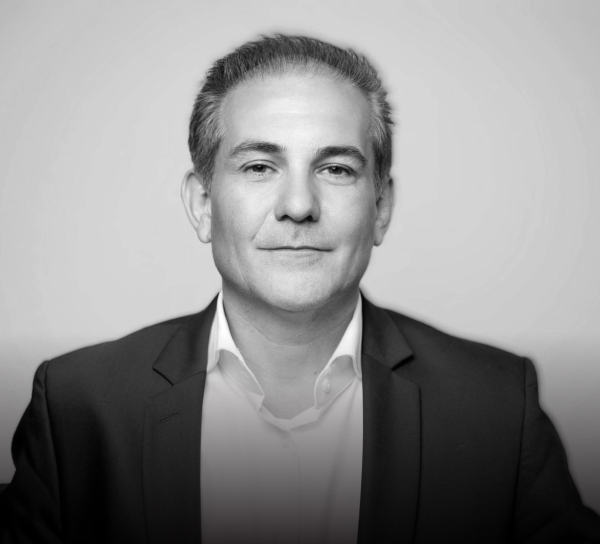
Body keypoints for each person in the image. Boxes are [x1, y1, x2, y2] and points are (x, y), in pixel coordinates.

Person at [1, 35, 599, 544]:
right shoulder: (78, 407)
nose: (298, 205)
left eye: (336, 169)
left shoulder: (497, 409)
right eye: (259, 167)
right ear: (203, 204)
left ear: (381, 207)